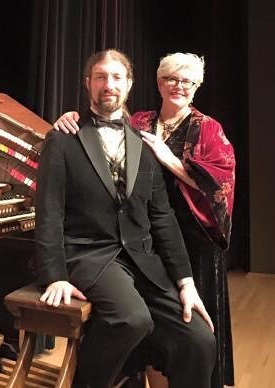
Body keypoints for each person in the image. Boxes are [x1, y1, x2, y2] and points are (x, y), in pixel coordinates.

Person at [53, 52, 235, 388]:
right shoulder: (140, 122)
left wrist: (185, 280)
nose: (178, 86)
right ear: (157, 82)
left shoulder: (207, 129)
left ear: (197, 87)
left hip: (182, 240)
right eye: (171, 79)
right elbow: (99, 127)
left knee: (199, 340)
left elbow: (216, 185)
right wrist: (71, 121)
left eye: (187, 81)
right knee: (132, 321)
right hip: (106, 249)